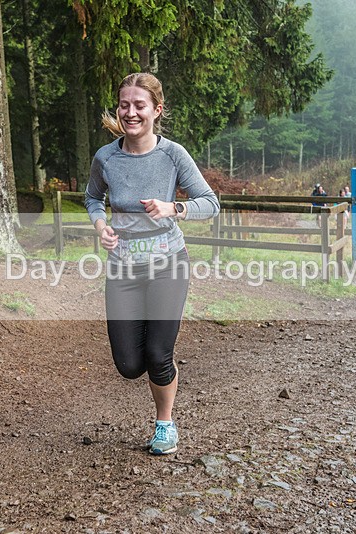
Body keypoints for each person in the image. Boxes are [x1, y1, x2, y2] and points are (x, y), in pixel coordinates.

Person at [84, 73, 220, 455]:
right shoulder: (106, 157)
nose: (130, 112)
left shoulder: (172, 154)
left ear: (156, 111)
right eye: (124, 105)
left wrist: (173, 207)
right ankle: (155, 352)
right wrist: (101, 225)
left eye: (139, 105)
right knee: (129, 364)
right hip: (123, 268)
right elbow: (93, 198)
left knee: (159, 355)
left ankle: (165, 424)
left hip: (167, 265)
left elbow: (209, 203)